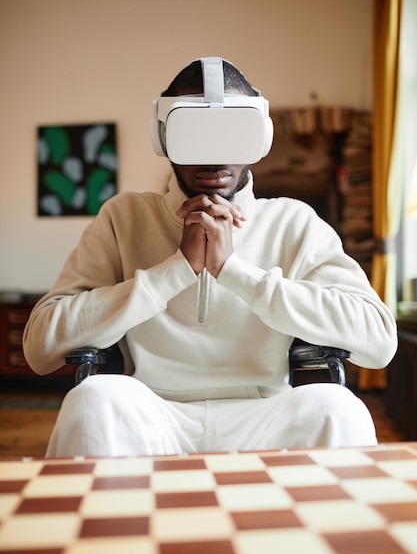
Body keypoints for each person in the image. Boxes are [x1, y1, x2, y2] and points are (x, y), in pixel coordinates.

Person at [23, 57, 397, 457]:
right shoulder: (123, 217)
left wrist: (234, 272)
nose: (215, 157)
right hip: (150, 411)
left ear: (261, 136)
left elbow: (378, 343)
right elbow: (39, 349)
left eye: (233, 133)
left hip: (264, 415)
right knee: (93, 399)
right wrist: (173, 272)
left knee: (338, 408)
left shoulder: (294, 221)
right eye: (195, 133)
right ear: (162, 138)